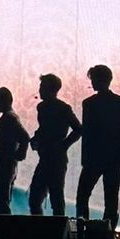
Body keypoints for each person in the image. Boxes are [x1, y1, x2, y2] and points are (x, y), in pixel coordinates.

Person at [75, 65, 120, 229]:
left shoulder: (89, 104)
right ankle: (109, 231)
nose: (93, 83)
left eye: (94, 79)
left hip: (94, 158)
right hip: (114, 156)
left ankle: (82, 229)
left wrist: (85, 159)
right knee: (111, 197)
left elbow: (88, 134)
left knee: (83, 195)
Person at [28, 73, 82, 216]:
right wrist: (36, 138)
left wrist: (64, 146)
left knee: (54, 199)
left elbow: (78, 129)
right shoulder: (42, 107)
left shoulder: (63, 108)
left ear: (50, 89)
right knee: (37, 198)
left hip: (56, 159)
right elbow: (44, 129)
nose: (39, 90)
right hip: (46, 157)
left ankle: (55, 234)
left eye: (42, 87)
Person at [0, 86, 30, 218]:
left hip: (5, 164)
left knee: (0, 202)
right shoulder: (9, 117)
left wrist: (19, 155)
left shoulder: (9, 118)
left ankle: (4, 234)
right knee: (1, 201)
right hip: (6, 163)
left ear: (4, 101)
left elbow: (24, 137)